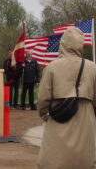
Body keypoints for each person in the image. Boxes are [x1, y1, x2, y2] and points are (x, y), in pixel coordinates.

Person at [37, 27, 96, 169]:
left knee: (54, 159)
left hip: (59, 116)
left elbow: (43, 100)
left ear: (62, 44)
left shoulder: (52, 67)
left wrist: (46, 116)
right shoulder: (92, 68)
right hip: (85, 118)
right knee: (84, 160)